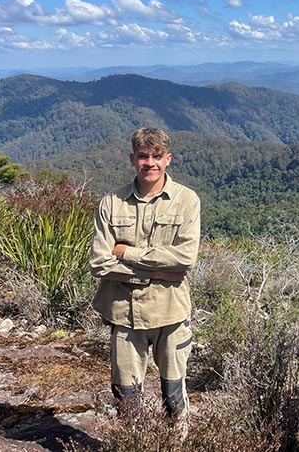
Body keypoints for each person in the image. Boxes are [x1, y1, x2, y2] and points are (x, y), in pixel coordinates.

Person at [90, 126, 200, 417]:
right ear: (132, 159)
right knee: (127, 398)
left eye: (156, 156)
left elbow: (185, 258)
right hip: (124, 315)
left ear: (168, 159)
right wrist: (155, 273)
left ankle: (177, 446)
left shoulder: (187, 200)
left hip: (171, 314)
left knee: (174, 397)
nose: (149, 163)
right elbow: (99, 262)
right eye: (143, 156)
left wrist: (127, 253)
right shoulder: (111, 204)